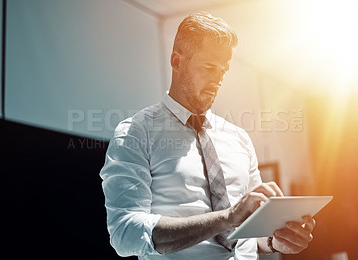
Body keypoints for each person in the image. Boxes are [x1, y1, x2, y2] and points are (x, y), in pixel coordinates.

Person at [100, 11, 315, 260]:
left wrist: (277, 241)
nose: (218, 80)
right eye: (209, 68)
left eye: (223, 70)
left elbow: (255, 235)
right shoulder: (135, 133)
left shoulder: (240, 139)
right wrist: (227, 218)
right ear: (177, 61)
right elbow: (125, 235)